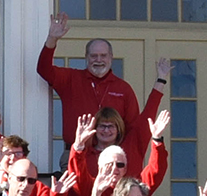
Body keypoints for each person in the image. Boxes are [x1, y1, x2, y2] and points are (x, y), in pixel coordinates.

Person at [38, 15, 144, 152]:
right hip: (77, 153)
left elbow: (133, 128)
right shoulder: (71, 79)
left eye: (103, 56)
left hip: (111, 155)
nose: (98, 60)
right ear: (86, 57)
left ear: (111, 57)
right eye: (94, 56)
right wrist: (52, 39)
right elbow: (44, 69)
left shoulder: (123, 88)